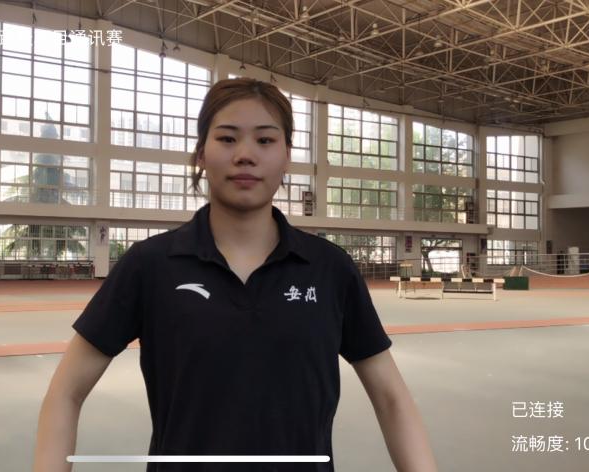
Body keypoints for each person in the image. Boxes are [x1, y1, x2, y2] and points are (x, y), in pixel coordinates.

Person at [34, 78, 437, 471]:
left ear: (287, 155)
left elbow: (392, 399)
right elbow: (66, 393)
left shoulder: (330, 269)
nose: (245, 154)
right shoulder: (150, 265)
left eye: (265, 140)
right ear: (201, 154)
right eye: (227, 138)